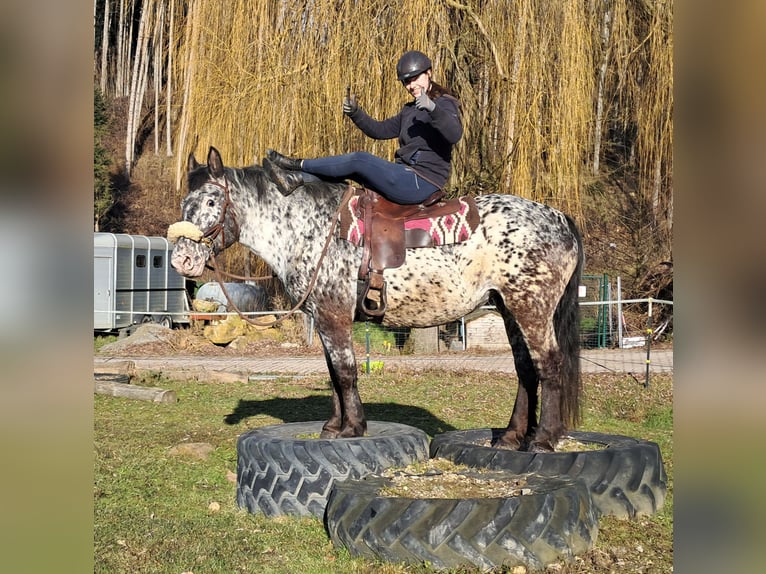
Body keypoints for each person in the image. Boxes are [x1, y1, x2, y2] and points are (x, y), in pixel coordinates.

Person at [264, 50, 463, 204]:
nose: (411, 86)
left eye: (415, 78)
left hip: (423, 181)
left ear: (429, 73)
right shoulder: (409, 110)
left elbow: (454, 133)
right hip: (403, 173)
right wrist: (356, 113)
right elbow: (379, 130)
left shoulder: (445, 103)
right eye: (406, 82)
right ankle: (296, 177)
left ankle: (296, 164)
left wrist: (432, 108)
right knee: (353, 171)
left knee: (359, 160)